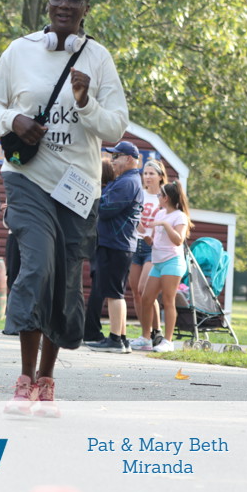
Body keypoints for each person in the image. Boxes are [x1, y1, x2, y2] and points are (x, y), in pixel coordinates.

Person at [0, 0, 129, 416]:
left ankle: (47, 378)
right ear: (48, 2)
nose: (64, 5)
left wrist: (84, 102)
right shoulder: (19, 51)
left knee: (65, 279)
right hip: (28, 179)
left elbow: (115, 128)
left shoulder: (98, 58)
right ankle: (24, 377)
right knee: (37, 266)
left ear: (86, 8)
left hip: (77, 186)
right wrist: (15, 120)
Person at [86, 140, 143, 353]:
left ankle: (115, 339)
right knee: (115, 292)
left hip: (115, 244)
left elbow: (106, 209)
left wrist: (92, 197)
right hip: (119, 244)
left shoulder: (127, 183)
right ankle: (122, 338)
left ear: (128, 159)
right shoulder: (126, 180)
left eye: (116, 157)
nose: (113, 161)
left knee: (114, 293)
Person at [137, 181, 193, 353]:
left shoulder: (179, 216)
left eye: (160, 195)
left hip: (172, 262)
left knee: (168, 301)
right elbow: (156, 240)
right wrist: (148, 239)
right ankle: (146, 338)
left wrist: (166, 225)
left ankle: (168, 341)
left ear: (166, 198)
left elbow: (178, 240)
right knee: (146, 298)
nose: (158, 197)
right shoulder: (160, 213)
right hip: (158, 262)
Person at [128, 160, 166, 351]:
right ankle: (145, 335)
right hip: (136, 244)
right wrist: (137, 224)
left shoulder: (164, 197)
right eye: (145, 173)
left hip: (154, 247)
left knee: (146, 290)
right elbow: (130, 214)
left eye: (152, 173)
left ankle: (157, 331)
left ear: (160, 176)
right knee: (136, 291)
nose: (147, 177)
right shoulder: (139, 194)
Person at [82, 155, 116, 344]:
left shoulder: (93, 190)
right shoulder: (106, 193)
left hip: (92, 240)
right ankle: (91, 330)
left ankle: (89, 328)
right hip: (101, 241)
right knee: (99, 288)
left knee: (98, 286)